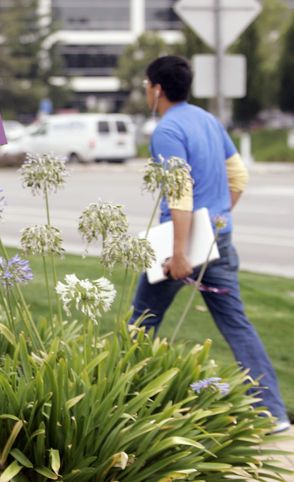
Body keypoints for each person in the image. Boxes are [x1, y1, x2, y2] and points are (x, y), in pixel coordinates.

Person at [130, 55, 290, 434]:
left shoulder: (167, 131)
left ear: (158, 89)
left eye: (147, 85)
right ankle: (273, 414)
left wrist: (180, 252)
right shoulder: (208, 120)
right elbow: (239, 176)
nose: (147, 91)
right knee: (236, 323)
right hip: (218, 236)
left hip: (181, 242)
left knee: (140, 322)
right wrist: (216, 219)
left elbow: (179, 194)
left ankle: (123, 403)